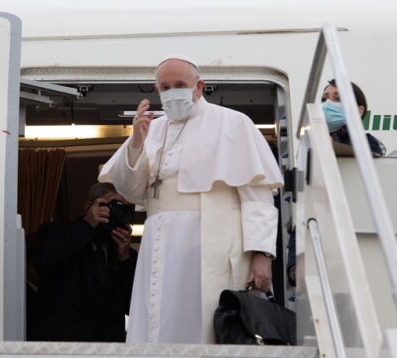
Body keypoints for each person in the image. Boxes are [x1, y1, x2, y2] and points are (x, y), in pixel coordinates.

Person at [99, 54, 283, 344]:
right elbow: (131, 190)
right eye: (164, 86)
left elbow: (258, 198)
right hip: (158, 244)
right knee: (155, 323)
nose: (172, 91)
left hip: (209, 244)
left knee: (204, 328)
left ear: (199, 87)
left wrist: (262, 255)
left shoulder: (233, 123)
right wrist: (135, 143)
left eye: (180, 84)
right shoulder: (151, 128)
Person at [31, 183, 137, 342]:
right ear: (89, 206)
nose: (115, 213)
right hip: (63, 346)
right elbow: (43, 261)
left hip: (109, 348)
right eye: (113, 205)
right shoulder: (55, 232)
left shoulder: (125, 254)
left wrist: (124, 258)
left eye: (123, 208)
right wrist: (87, 224)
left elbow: (135, 307)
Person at [321, 79, 386, 157]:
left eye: (338, 99)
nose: (327, 103)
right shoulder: (313, 141)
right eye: (324, 99)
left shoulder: (366, 144)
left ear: (359, 111)